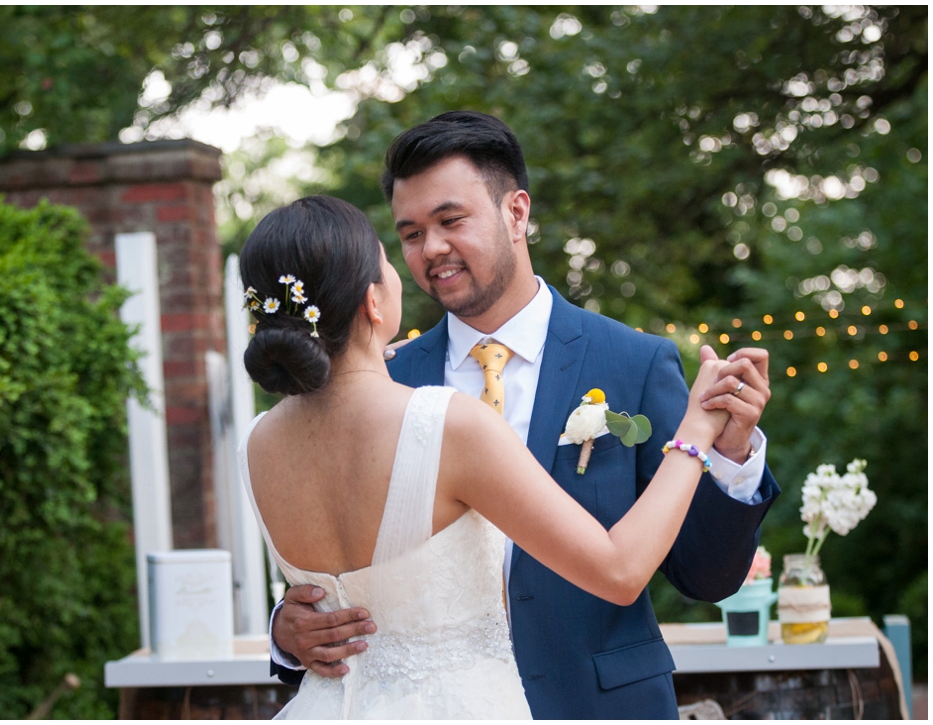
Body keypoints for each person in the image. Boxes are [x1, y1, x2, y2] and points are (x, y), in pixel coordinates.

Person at [269, 112, 781, 719]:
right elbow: (340, 562)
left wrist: (728, 457)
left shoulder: (633, 363)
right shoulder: (383, 379)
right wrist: (287, 631)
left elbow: (706, 577)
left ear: (516, 213)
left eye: (450, 221)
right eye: (409, 234)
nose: (431, 249)